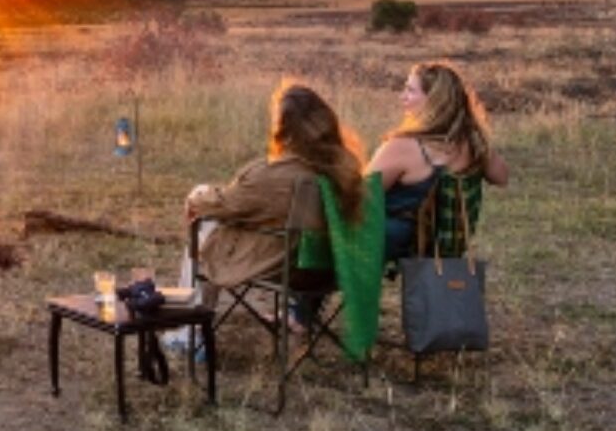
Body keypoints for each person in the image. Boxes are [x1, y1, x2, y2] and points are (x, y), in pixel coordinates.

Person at [184, 80, 366, 297]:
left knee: (206, 223)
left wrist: (195, 198)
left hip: (283, 266)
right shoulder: (344, 168)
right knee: (216, 215)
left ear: (282, 126)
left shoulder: (275, 173)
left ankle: (191, 321)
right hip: (328, 269)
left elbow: (227, 205)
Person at [368, 61, 509, 261]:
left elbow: (361, 196)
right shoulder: (473, 143)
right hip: (446, 249)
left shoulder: (403, 146)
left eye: (410, 91)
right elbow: (502, 177)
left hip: (400, 245)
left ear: (434, 101)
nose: (402, 97)